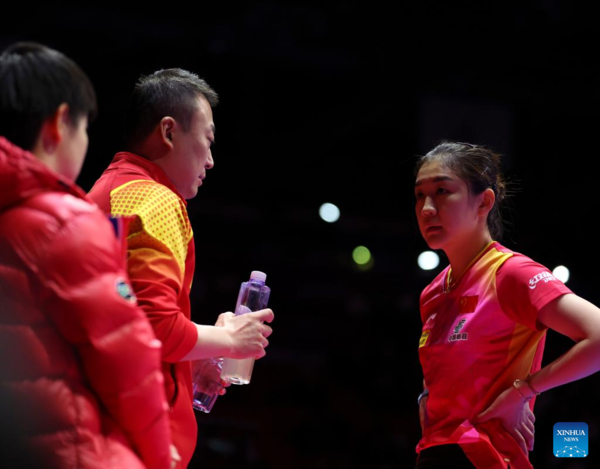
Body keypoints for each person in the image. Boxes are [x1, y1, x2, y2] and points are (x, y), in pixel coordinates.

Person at [88, 68, 275, 468]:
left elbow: (122, 323)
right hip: (134, 439)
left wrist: (193, 360)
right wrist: (230, 339)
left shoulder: (107, 192)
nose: (210, 160)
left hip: (103, 422)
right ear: (169, 132)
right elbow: (155, 327)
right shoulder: (156, 200)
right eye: (207, 141)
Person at [0, 43, 175, 468]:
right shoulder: (66, 222)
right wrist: (157, 456)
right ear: (60, 123)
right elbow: (127, 361)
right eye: (84, 128)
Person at [413, 141, 600, 469]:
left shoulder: (509, 273)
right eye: (419, 195)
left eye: (442, 190)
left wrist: (523, 391)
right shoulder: (432, 293)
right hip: (431, 455)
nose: (427, 207)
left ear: (483, 201)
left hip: (485, 457)